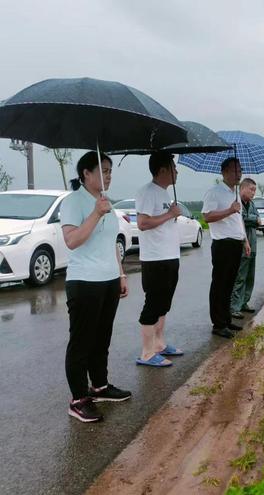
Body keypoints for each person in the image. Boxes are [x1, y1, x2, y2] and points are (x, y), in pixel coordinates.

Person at [60, 151, 131, 423]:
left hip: (109, 279)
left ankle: (99, 386)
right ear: (85, 174)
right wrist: (95, 213)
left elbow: (111, 242)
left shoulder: (105, 203)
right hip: (84, 282)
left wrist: (121, 274)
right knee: (81, 342)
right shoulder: (74, 202)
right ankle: (78, 399)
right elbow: (72, 240)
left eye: (110, 170)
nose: (108, 175)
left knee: (102, 338)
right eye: (102, 170)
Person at [134, 152, 183, 367]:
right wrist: (169, 215)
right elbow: (142, 223)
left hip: (170, 256)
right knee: (153, 305)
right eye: (173, 166)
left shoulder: (164, 193)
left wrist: (172, 213)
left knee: (164, 303)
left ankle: (159, 344)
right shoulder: (147, 192)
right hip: (155, 259)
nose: (177, 171)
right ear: (162, 169)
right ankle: (146, 353)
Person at [202, 157, 250, 338]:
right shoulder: (214, 192)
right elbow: (206, 217)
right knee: (220, 285)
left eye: (240, 170)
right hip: (222, 244)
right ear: (223, 172)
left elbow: (238, 220)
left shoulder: (235, 193)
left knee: (230, 284)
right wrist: (229, 210)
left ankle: (227, 319)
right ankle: (218, 323)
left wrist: (245, 240)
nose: (238, 174)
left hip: (236, 243)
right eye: (234, 170)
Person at [231, 178, 259, 319]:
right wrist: (252, 219)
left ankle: (244, 302)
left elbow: (258, 220)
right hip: (242, 246)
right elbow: (240, 220)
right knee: (240, 278)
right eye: (251, 189)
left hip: (253, 244)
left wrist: (251, 219)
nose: (253, 192)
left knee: (250, 277)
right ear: (242, 188)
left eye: (254, 190)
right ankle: (234, 306)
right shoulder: (237, 204)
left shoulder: (252, 204)